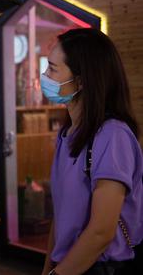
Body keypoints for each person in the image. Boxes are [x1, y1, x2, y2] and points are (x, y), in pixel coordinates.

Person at [41, 29, 143, 275]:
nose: (45, 76)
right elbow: (62, 214)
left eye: (53, 69)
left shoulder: (112, 135)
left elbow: (101, 231)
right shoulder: (66, 136)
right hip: (68, 265)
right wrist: (49, 268)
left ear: (82, 80)